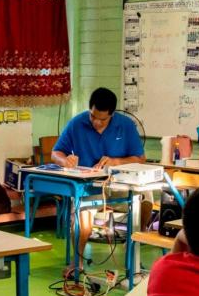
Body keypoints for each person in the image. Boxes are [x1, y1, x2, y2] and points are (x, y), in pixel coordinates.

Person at [51, 88, 148, 264]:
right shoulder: (77, 123)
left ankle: (132, 243)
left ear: (112, 114)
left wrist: (116, 161)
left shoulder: (126, 125)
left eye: (102, 119)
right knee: (82, 221)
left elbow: (140, 159)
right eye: (92, 116)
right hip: (89, 185)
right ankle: (77, 262)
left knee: (146, 200)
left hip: (119, 183)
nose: (96, 122)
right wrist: (65, 161)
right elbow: (56, 153)